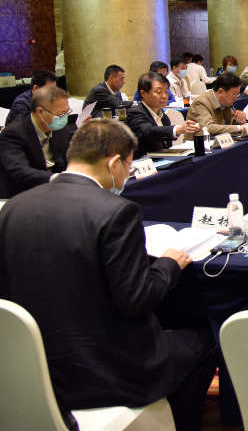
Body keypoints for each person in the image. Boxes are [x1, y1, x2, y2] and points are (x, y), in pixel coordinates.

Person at [0, 119, 217, 431]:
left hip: (34, 367)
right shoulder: (115, 211)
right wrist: (168, 264)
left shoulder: (13, 208)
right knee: (205, 341)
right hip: (106, 372)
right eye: (128, 166)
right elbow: (137, 298)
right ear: (115, 163)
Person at [0, 86, 71, 197]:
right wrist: (58, 178)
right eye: (60, 114)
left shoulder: (60, 129)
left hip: (57, 190)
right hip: (24, 194)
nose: (64, 118)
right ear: (40, 111)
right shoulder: (13, 134)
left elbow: (69, 159)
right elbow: (22, 173)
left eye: (67, 112)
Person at [125, 73, 201, 158]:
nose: (164, 96)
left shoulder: (164, 117)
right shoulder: (135, 113)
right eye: (159, 92)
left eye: (166, 92)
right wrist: (177, 129)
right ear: (143, 94)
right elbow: (148, 132)